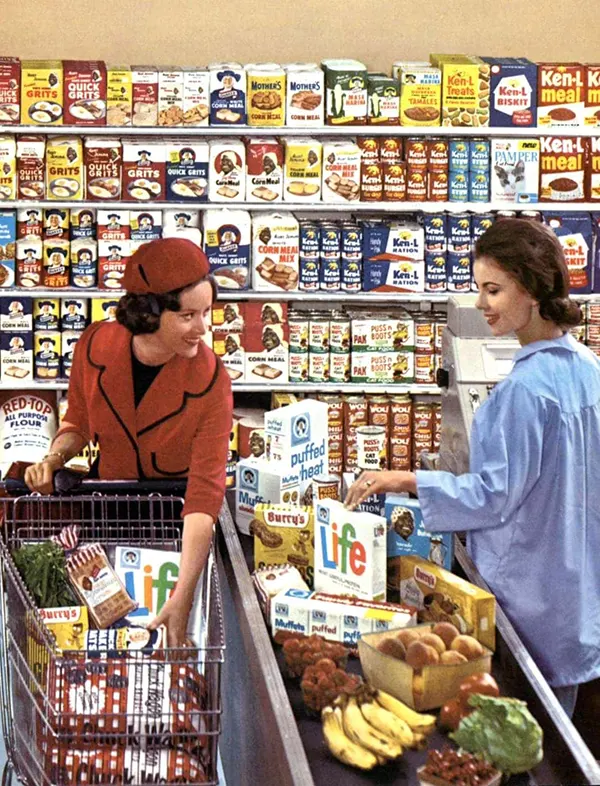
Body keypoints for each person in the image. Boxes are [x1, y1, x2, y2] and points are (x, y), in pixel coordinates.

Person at [345, 218, 600, 718]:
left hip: (525, 602)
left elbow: (491, 496)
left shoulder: (523, 392)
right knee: (558, 743)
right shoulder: (589, 369)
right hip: (578, 598)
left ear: (531, 288)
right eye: (479, 289)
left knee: (511, 734)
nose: (481, 304)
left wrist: (406, 480)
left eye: (493, 290)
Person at [25, 238, 233, 647]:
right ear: (148, 313)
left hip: (173, 528)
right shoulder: (96, 345)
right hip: (109, 511)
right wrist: (54, 458)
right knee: (107, 642)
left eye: (206, 312)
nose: (203, 328)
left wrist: (183, 596)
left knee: (161, 648)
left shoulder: (212, 381)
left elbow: (204, 493)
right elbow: (79, 421)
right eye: (188, 315)